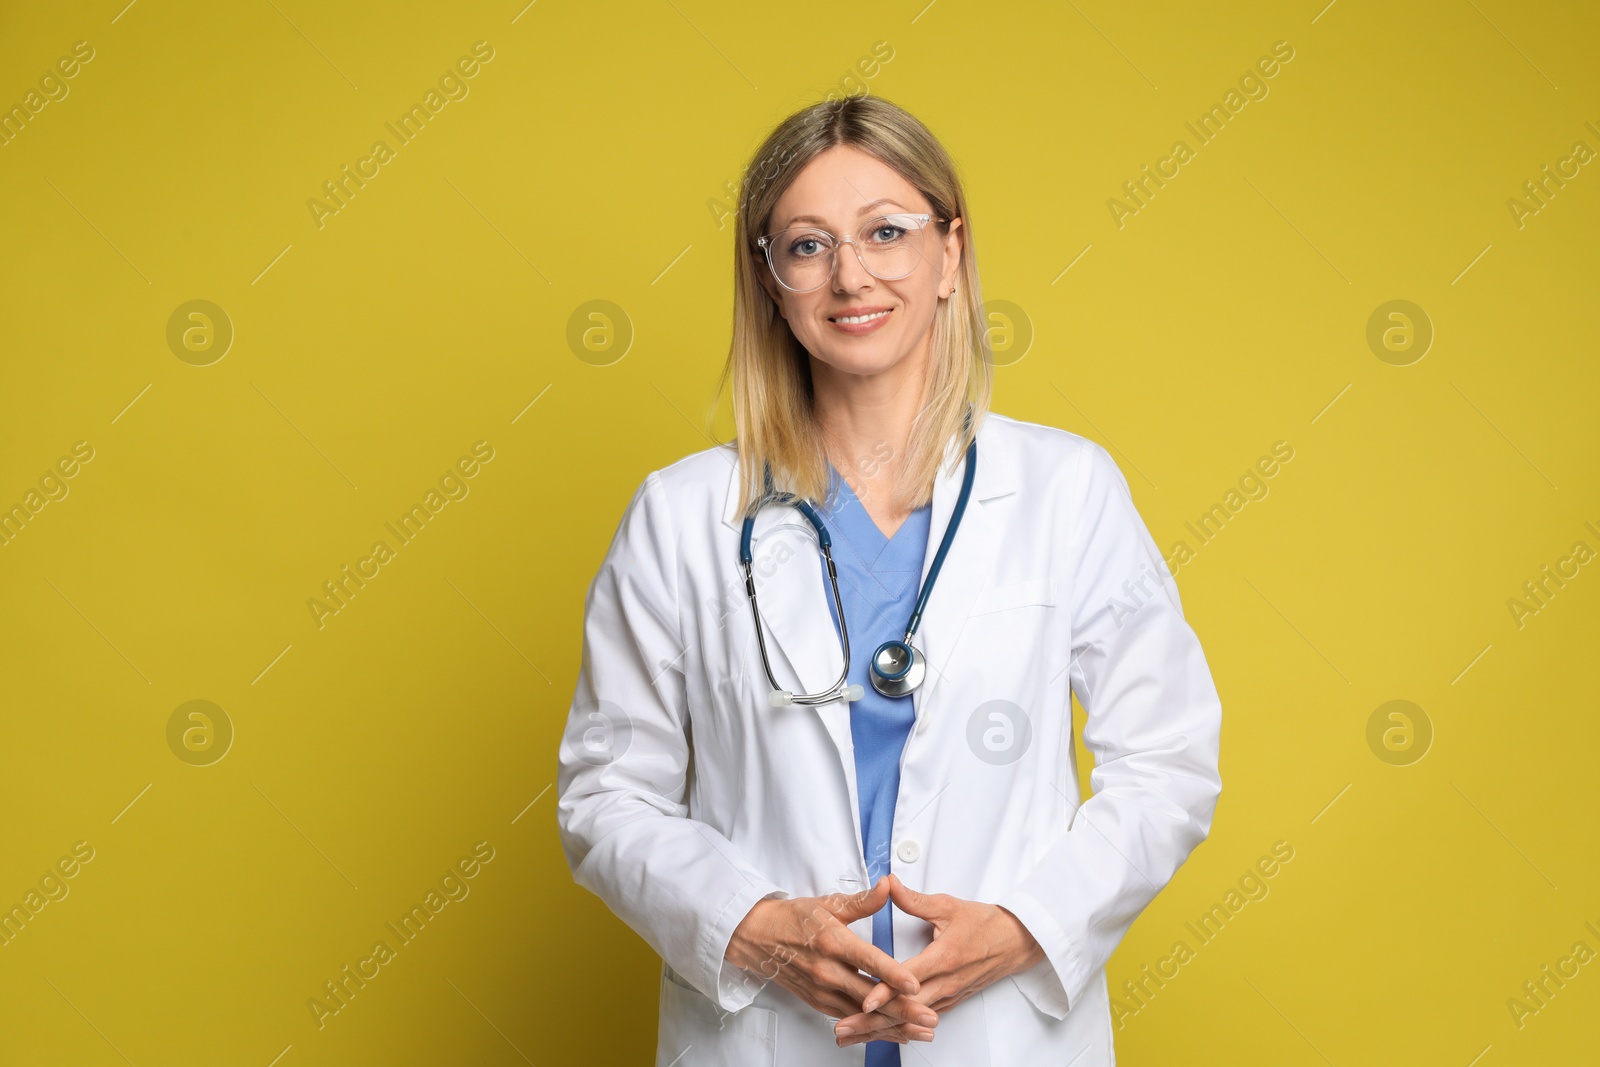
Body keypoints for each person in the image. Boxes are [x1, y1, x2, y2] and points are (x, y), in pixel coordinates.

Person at [556, 94, 1223, 1066]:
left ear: (949, 255)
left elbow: (1167, 759)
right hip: (771, 1035)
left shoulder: (1065, 489)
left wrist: (1029, 925)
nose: (850, 274)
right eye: (807, 245)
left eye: (886, 232)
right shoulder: (681, 515)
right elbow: (607, 792)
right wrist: (747, 925)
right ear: (769, 278)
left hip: (995, 1033)